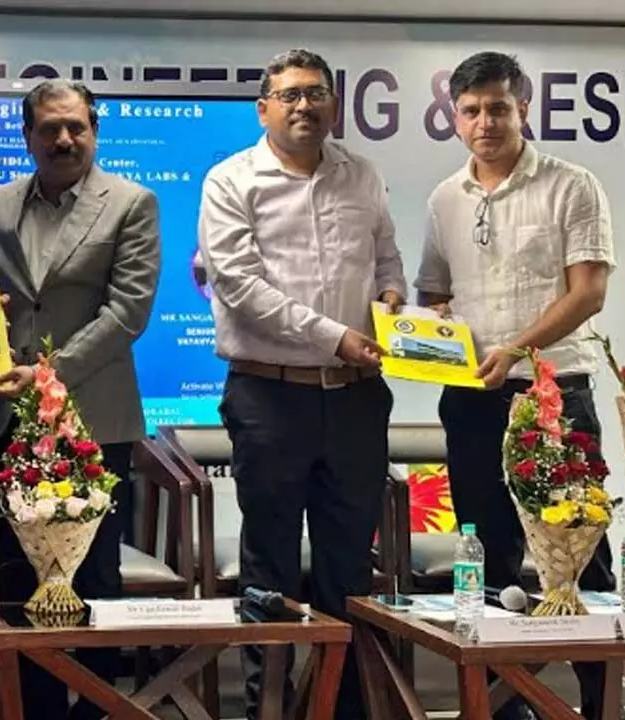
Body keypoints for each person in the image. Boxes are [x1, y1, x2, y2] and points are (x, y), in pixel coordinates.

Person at [198, 48, 405, 720]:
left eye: (316, 93)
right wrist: (334, 336)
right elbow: (240, 287)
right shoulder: (231, 181)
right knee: (271, 568)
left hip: (354, 398)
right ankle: (270, 709)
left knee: (351, 568)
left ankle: (344, 708)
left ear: (334, 105)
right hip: (269, 396)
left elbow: (385, 258)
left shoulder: (361, 175)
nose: (304, 106)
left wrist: (393, 298)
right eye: (289, 95)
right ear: (264, 108)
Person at [414, 51, 615, 720]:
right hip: (472, 399)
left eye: (497, 107)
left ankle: (600, 702)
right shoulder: (445, 198)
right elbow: (435, 294)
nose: (484, 121)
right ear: (453, 117)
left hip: (554, 391)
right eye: (469, 110)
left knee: (577, 553)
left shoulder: (571, 185)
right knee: (486, 551)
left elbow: (587, 294)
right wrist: (430, 334)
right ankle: (505, 705)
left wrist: (515, 348)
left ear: (523, 108)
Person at [0, 78, 160, 720]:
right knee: (22, 575)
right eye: (50, 128)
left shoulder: (132, 203)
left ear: (94, 131)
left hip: (94, 417)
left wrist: (50, 373)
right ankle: (36, 707)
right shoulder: (0, 205)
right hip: (13, 416)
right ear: (28, 136)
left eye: (76, 127)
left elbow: (128, 312)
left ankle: (97, 708)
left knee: (94, 574)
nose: (64, 139)